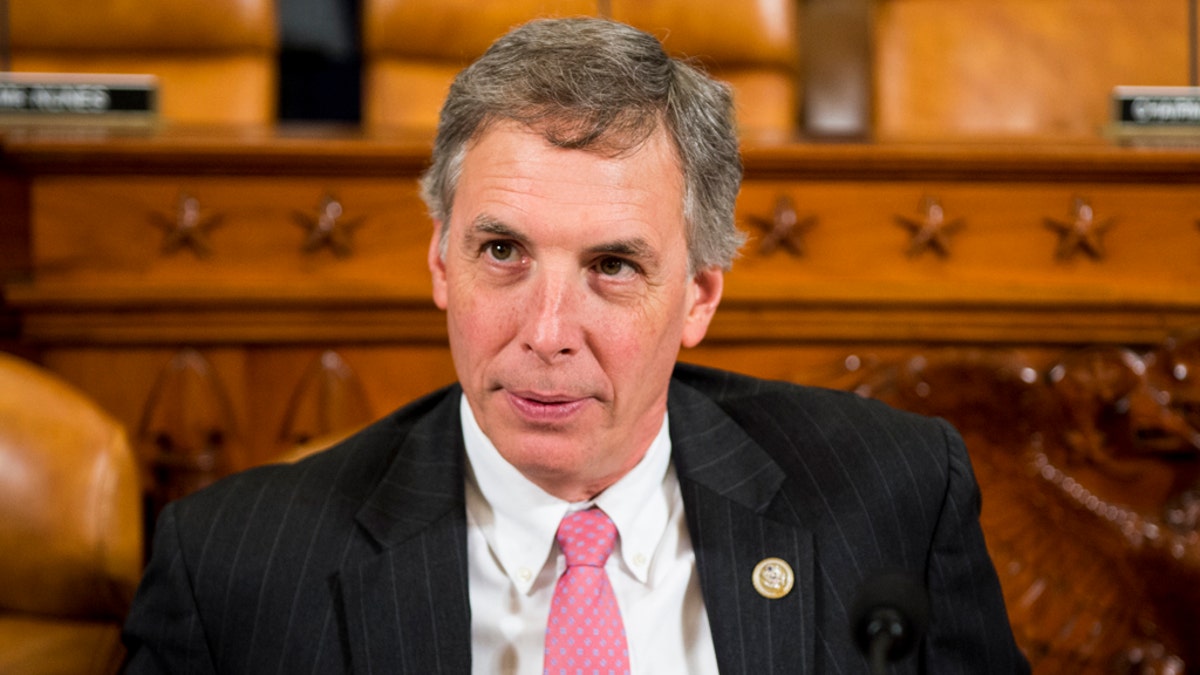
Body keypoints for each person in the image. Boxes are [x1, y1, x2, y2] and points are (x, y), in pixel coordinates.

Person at [121, 17, 1029, 674]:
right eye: (503, 251)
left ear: (698, 296)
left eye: (613, 266)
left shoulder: (894, 499)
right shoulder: (233, 567)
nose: (546, 334)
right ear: (442, 262)